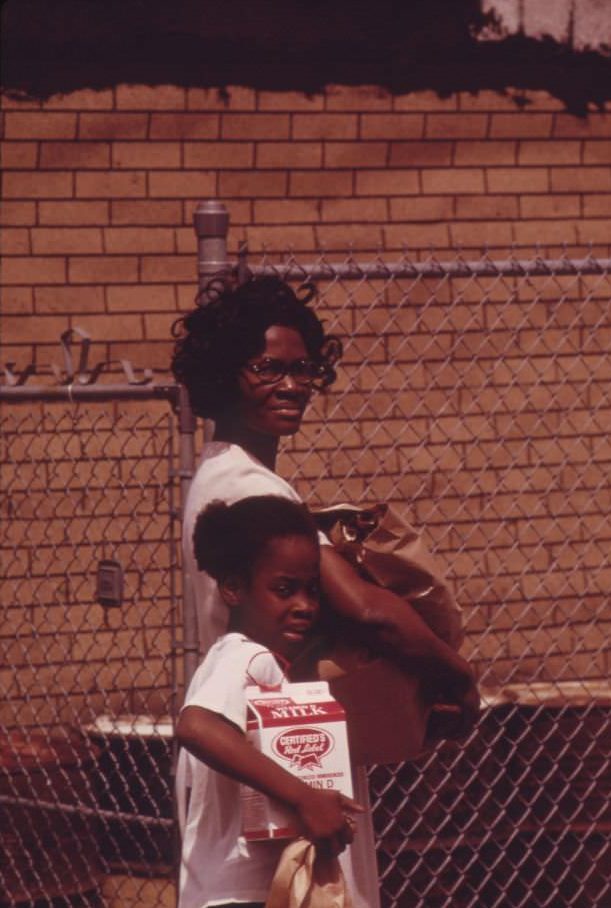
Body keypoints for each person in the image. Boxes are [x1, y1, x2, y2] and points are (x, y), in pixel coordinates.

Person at [171, 275, 479, 726]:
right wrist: (458, 675)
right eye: (267, 368)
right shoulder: (250, 487)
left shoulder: (219, 468)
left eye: (303, 369)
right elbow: (370, 612)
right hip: (274, 732)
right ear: (223, 375)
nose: (292, 385)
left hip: (259, 720)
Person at [176, 494, 363, 908]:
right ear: (233, 589)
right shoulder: (247, 657)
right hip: (239, 894)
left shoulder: (257, 665)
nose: (304, 606)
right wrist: (305, 798)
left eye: (312, 591)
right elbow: (196, 727)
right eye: (283, 590)